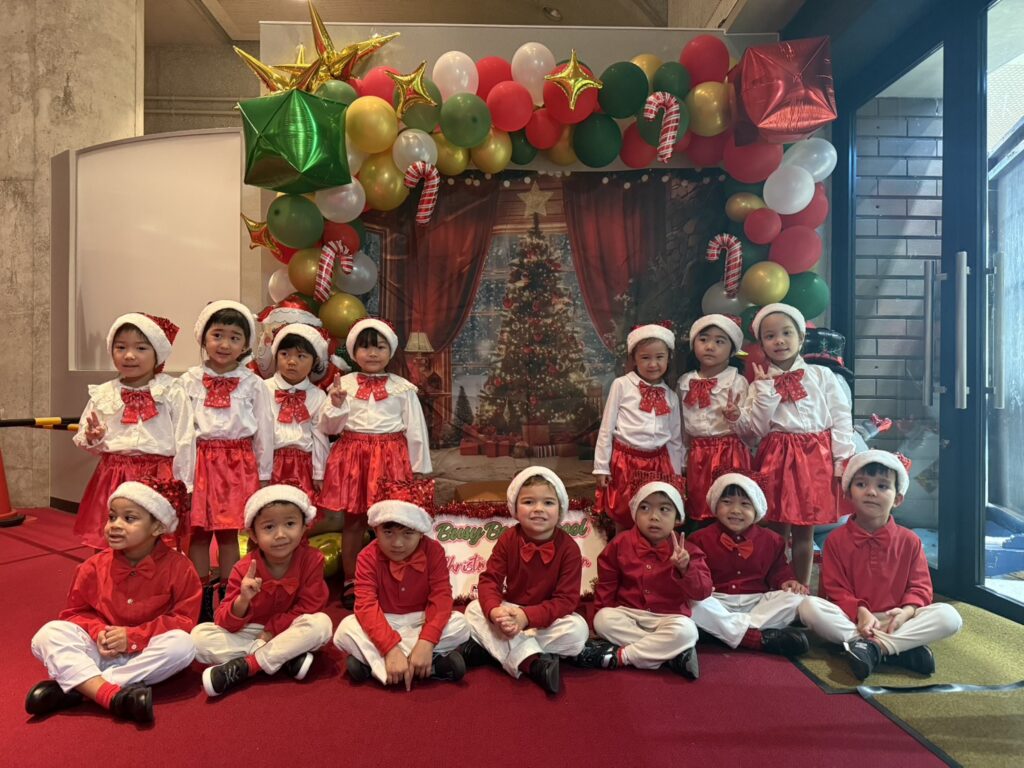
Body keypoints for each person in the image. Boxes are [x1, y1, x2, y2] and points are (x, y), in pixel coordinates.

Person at [27, 481, 200, 722]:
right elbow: (75, 613)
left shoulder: (181, 568)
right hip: (101, 651)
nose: (115, 525)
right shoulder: (92, 567)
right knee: (48, 634)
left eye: (129, 519)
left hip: (144, 653)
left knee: (184, 645)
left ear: (158, 526)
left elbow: (183, 620)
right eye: (111, 517)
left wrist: (133, 637)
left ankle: (84, 688)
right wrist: (98, 632)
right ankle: (113, 694)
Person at [799, 451, 963, 679]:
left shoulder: (910, 541)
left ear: (898, 498)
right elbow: (835, 589)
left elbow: (920, 588)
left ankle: (871, 648)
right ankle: (897, 650)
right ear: (848, 493)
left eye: (883, 486)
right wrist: (861, 612)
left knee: (949, 617)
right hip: (853, 618)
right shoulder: (835, 540)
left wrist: (906, 612)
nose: (871, 492)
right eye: (861, 484)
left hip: (897, 619)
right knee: (808, 607)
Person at [728, 303, 855, 585]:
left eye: (787, 333)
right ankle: (774, 585)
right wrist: (764, 394)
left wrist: (842, 459)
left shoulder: (822, 376)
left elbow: (841, 418)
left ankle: (801, 588)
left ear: (800, 337)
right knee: (775, 530)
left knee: (804, 530)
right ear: (762, 344)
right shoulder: (759, 384)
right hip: (777, 457)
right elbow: (754, 432)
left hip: (814, 458)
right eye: (770, 336)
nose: (779, 341)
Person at [318, 318, 432, 610]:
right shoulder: (343, 385)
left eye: (379, 347)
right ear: (353, 352)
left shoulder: (402, 388)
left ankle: (390, 578)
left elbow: (415, 430)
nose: (372, 353)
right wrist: (336, 404)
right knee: (354, 522)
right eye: (365, 347)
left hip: (391, 458)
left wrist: (419, 468)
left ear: (390, 351)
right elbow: (329, 428)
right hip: (355, 458)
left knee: (391, 521)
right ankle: (352, 579)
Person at [181, 300, 274, 621]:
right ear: (203, 337)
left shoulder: (254, 384)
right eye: (217, 335)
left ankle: (231, 595)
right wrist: (183, 476)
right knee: (198, 533)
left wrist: (264, 474)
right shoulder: (188, 381)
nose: (224, 344)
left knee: (229, 532)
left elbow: (265, 431)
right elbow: (181, 431)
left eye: (235, 338)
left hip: (238, 464)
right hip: (200, 462)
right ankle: (200, 597)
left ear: (246, 344)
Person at [191, 485, 332, 697]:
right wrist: (243, 600)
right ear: (253, 535)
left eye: (290, 524)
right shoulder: (243, 568)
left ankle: (249, 665)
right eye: (269, 527)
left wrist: (272, 631)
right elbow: (223, 622)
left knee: (322, 624)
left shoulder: (312, 560)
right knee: (198, 638)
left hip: (290, 628)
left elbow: (311, 606)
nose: (280, 535)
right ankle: (284, 658)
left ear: (304, 527)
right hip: (252, 630)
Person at [73, 313, 194, 549]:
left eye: (140, 348)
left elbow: (185, 439)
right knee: (112, 537)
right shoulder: (104, 393)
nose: (129, 355)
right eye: (120, 347)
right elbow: (85, 438)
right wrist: (94, 437)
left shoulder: (171, 390)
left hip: (159, 476)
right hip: (114, 474)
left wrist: (185, 484)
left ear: (157, 353)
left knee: (156, 542)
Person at [463, 467, 589, 694]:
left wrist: (526, 617)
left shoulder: (569, 549)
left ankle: (496, 649)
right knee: (473, 610)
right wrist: (495, 612)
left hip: (546, 618)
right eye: (529, 502)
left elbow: (566, 601)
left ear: (560, 509)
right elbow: (490, 580)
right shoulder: (508, 539)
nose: (538, 509)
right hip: (511, 610)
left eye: (548, 503)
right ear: (515, 508)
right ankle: (532, 663)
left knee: (578, 632)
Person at [576, 481, 710, 676]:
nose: (654, 516)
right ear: (634, 514)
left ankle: (622, 656)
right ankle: (671, 654)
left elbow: (703, 592)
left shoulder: (688, 550)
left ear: (677, 518)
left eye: (664, 509)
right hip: (628, 613)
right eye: (645, 508)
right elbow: (607, 584)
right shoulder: (620, 543)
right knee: (603, 620)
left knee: (687, 631)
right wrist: (598, 621)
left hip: (668, 617)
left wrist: (685, 568)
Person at [334, 499, 469, 688]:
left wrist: (427, 641)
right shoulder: (366, 556)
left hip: (422, 619)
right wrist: (390, 648)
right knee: (344, 630)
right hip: (384, 620)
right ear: (375, 529)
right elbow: (366, 605)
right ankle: (428, 666)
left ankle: (376, 666)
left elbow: (441, 596)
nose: (397, 543)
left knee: (461, 625)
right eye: (388, 532)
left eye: (408, 533)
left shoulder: (434, 551)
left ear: (421, 533)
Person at [688, 472, 809, 656]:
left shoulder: (773, 540)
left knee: (796, 598)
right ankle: (755, 638)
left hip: (757, 603)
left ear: (757, 509)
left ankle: (720, 631)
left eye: (745, 504)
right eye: (727, 502)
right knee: (692, 601)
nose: (735, 510)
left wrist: (787, 581)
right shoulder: (698, 539)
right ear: (715, 506)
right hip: (716, 600)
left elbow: (779, 571)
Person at [594, 323, 684, 533]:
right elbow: (606, 428)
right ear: (634, 359)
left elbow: (675, 439)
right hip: (626, 462)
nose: (653, 364)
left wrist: (677, 475)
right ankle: (622, 550)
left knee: (654, 515)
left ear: (668, 358)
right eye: (645, 357)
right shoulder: (621, 385)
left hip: (659, 464)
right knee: (623, 512)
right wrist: (601, 466)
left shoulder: (671, 396)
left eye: (659, 357)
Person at [677, 314, 751, 524]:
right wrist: (682, 458)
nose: (710, 346)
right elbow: (680, 425)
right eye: (703, 339)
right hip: (698, 455)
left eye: (719, 341)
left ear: (732, 349)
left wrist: (736, 416)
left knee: (728, 506)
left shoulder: (738, 381)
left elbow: (751, 430)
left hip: (730, 453)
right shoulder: (685, 381)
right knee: (699, 507)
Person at [264, 323, 347, 498]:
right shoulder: (263, 389)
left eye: (301, 356)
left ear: (315, 361)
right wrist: (260, 470)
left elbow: (320, 435)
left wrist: (319, 472)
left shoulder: (317, 395)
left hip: (304, 465)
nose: (291, 362)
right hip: (270, 463)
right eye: (284, 354)